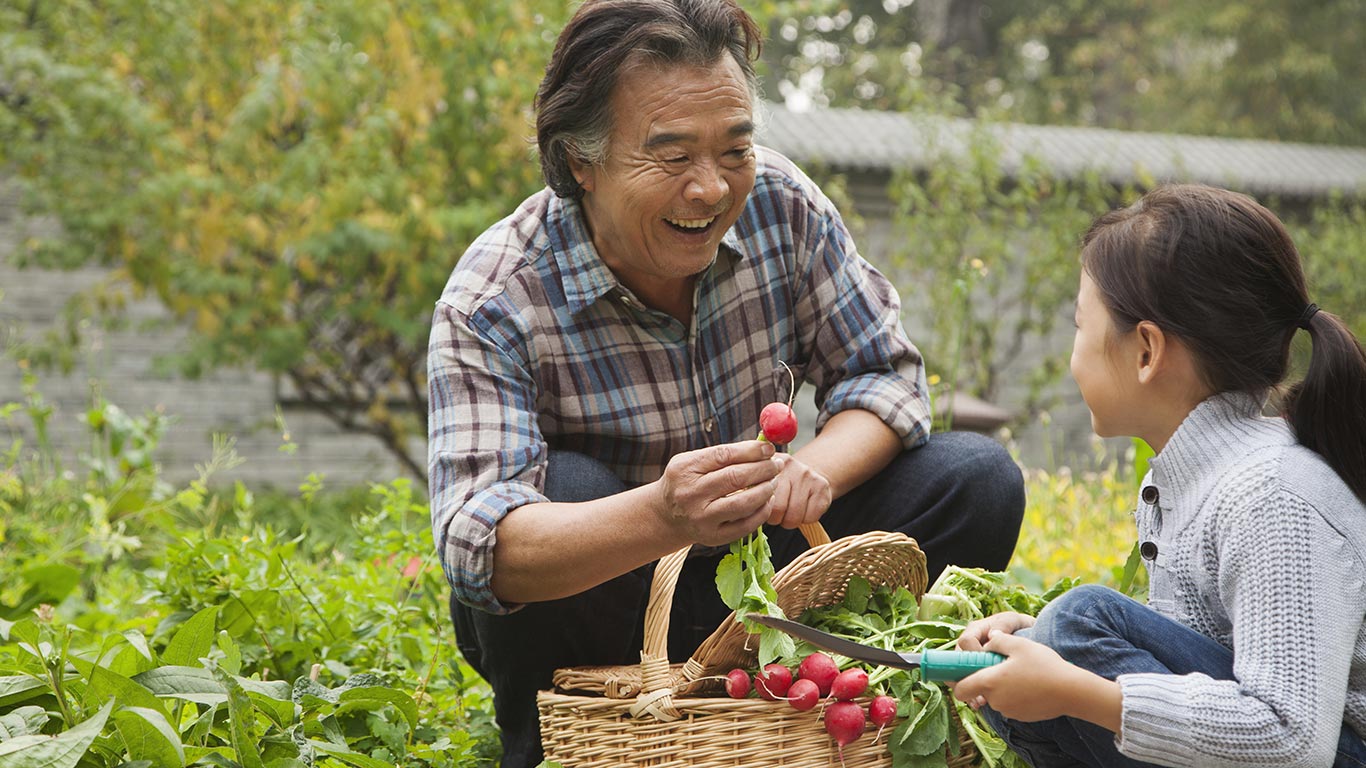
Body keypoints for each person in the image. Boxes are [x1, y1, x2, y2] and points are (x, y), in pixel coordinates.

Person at [426, 0, 1024, 764]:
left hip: (769, 578)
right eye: (672, 157)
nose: (711, 189)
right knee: (566, 485)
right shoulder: (495, 299)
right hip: (612, 592)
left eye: (734, 149)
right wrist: (663, 515)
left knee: (974, 477)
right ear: (582, 160)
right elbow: (481, 546)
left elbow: (883, 373)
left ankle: (827, 714)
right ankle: (558, 743)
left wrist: (812, 472)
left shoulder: (779, 204)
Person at [952, 184, 1366, 767]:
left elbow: (1294, 740)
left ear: (1146, 350)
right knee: (1032, 657)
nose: (1075, 351)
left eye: (1079, 325)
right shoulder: (1194, 480)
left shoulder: (1275, 494)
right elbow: (1198, 656)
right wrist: (1037, 640)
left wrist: (1077, 685)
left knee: (1079, 622)